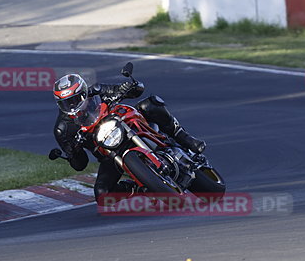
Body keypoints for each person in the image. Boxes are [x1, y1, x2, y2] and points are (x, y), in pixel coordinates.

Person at [50, 73, 206, 198]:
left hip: (127, 124)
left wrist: (127, 87)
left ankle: (185, 138)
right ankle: (139, 189)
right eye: (66, 103)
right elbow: (80, 164)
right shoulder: (62, 129)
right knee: (102, 194)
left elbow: (136, 89)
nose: (72, 106)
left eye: (75, 99)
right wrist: (72, 152)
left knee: (150, 104)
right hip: (109, 155)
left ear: (84, 93)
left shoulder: (96, 90)